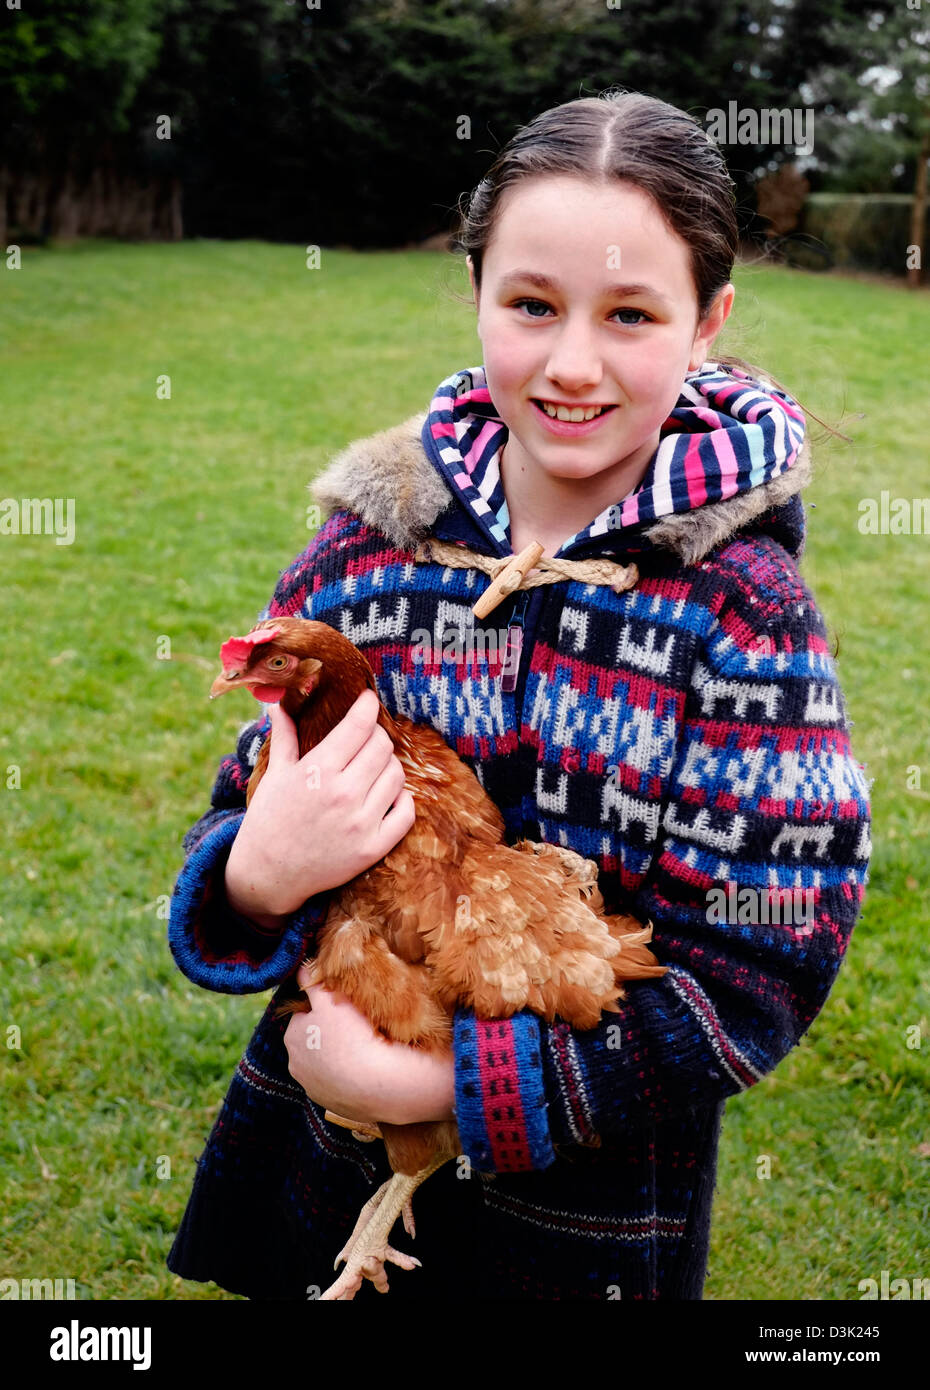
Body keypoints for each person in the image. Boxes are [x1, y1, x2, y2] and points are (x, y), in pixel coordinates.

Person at [166, 89, 871, 1301]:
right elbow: (243, 802)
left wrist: (448, 1088)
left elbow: (760, 960)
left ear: (709, 323)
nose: (573, 363)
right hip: (322, 1161)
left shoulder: (740, 617)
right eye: (532, 305)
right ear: (478, 293)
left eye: (633, 314)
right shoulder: (363, 562)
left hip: (577, 1222)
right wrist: (255, 873)